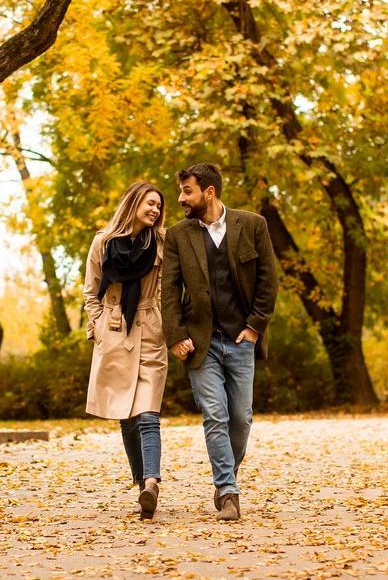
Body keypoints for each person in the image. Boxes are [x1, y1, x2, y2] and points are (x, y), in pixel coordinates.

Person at [161, 163, 279, 522]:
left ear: (208, 192)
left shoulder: (253, 225)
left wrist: (255, 326)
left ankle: (227, 475)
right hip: (200, 343)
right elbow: (169, 290)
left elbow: (268, 281)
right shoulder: (178, 235)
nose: (181, 198)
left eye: (187, 191)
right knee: (216, 415)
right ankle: (228, 490)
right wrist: (176, 335)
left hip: (241, 339)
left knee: (241, 419)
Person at [83, 180, 169, 520]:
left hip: (150, 329)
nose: (155, 210)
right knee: (126, 416)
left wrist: (166, 326)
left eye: (159, 206)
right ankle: (140, 484)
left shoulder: (162, 245)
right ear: (133, 203)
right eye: (150, 203)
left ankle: (151, 483)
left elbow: (167, 290)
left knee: (148, 414)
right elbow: (91, 293)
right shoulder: (102, 244)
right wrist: (99, 327)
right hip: (115, 330)